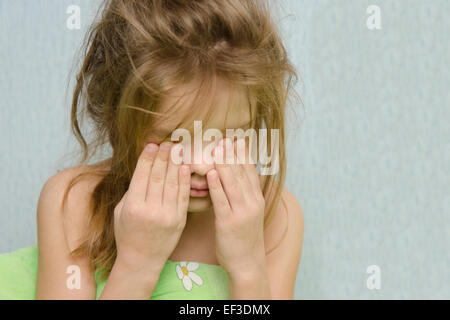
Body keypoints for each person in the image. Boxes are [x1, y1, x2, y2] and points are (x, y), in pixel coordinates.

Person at [0, 0, 304, 300]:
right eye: (174, 140)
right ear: (119, 120)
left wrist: (248, 268)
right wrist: (136, 265)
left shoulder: (276, 216)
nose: (200, 164)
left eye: (226, 138)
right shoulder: (76, 203)